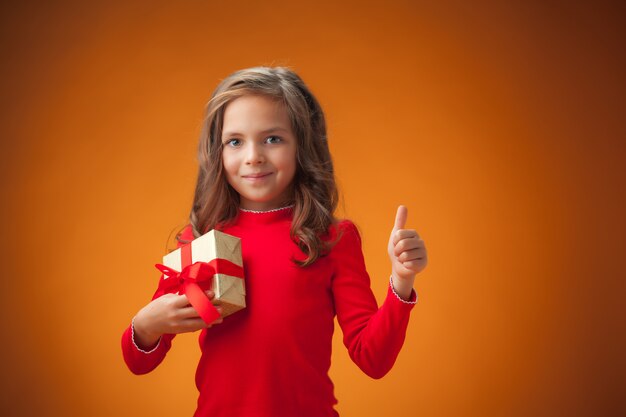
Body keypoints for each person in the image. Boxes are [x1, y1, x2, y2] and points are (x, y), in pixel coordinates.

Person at [121, 66, 428, 417]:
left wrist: (401, 282)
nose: (253, 156)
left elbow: (373, 359)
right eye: (235, 141)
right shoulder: (199, 239)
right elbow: (138, 363)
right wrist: (146, 326)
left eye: (273, 139)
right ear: (217, 152)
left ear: (303, 145)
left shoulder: (332, 239)